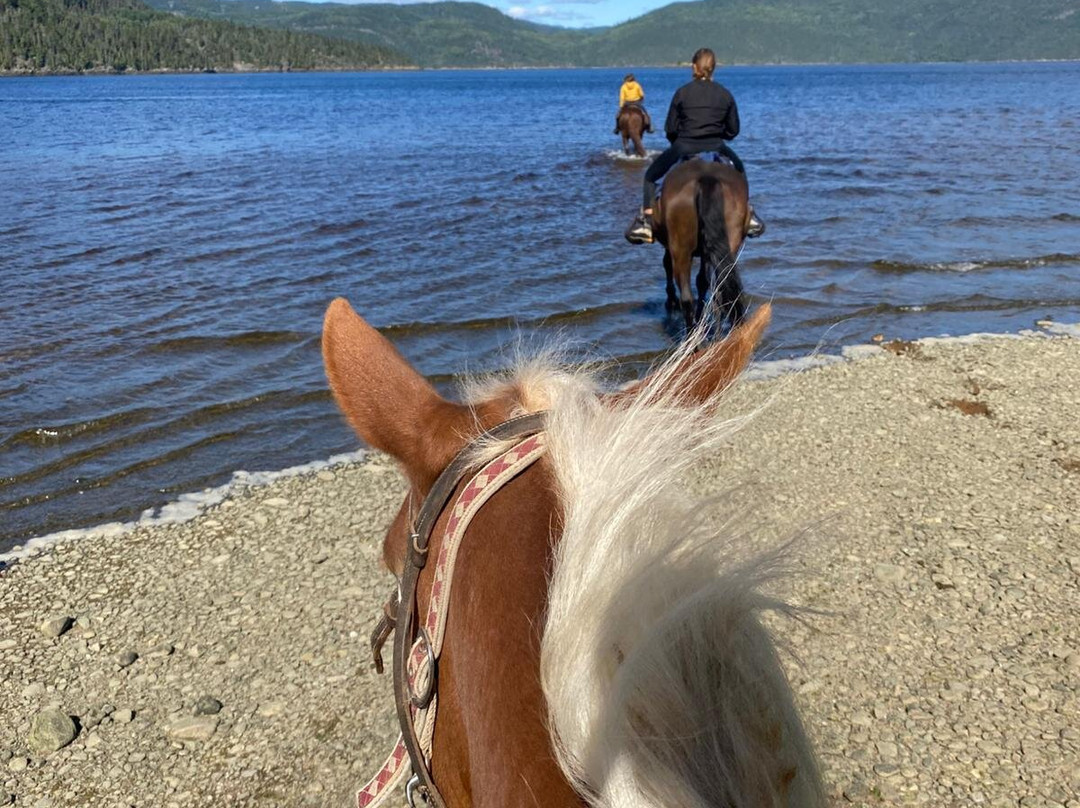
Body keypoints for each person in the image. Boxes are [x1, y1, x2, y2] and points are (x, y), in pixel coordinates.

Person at [625, 48, 764, 245]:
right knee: (740, 171)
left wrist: (678, 141)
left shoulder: (682, 93)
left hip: (684, 146)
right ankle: (748, 216)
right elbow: (733, 131)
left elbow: (670, 129)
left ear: (694, 67)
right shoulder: (725, 94)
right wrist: (718, 134)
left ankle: (646, 222)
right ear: (713, 68)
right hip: (716, 146)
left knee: (650, 176)